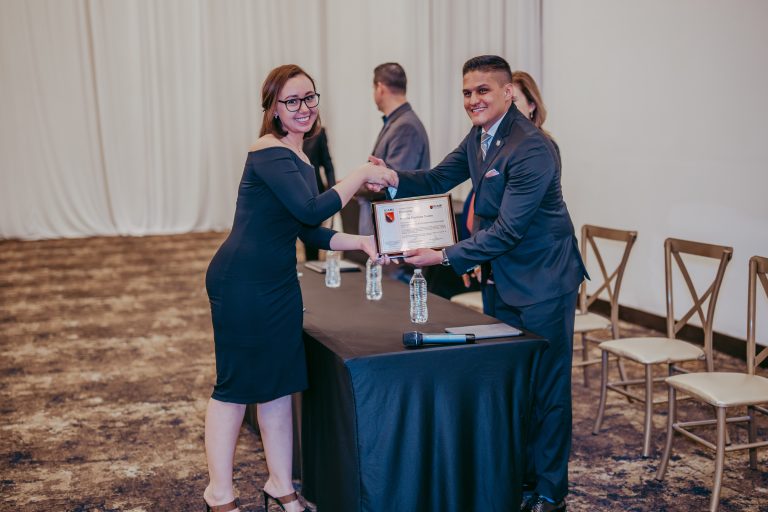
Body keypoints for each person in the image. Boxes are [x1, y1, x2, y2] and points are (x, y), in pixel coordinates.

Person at [369, 55, 586, 512]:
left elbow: (508, 231)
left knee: (547, 390)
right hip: (501, 280)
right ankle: (522, 479)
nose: (473, 100)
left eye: (483, 90)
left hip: (544, 283)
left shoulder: (532, 147)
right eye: (467, 92)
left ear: (508, 92)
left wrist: (444, 255)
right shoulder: (480, 137)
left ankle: (550, 493)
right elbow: (436, 179)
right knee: (513, 385)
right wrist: (391, 179)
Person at [203, 64, 396, 512]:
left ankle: (280, 485)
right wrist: (361, 173)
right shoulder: (267, 152)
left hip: (277, 283)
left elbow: (308, 229)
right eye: (292, 100)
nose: (304, 107)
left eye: (310, 97)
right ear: (273, 109)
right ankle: (219, 493)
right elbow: (311, 208)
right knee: (234, 387)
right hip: (241, 283)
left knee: (279, 385)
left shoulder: (300, 156)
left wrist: (361, 242)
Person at [357, 62, 430, 237]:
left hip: (397, 231)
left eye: (373, 89)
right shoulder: (397, 122)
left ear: (380, 88)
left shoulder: (405, 127)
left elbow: (392, 182)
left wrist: (353, 184)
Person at [301, 127, 336, 261]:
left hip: (314, 192)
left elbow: (327, 165)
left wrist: (333, 194)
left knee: (311, 236)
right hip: (291, 191)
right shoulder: (282, 132)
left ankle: (311, 264)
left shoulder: (318, 133)